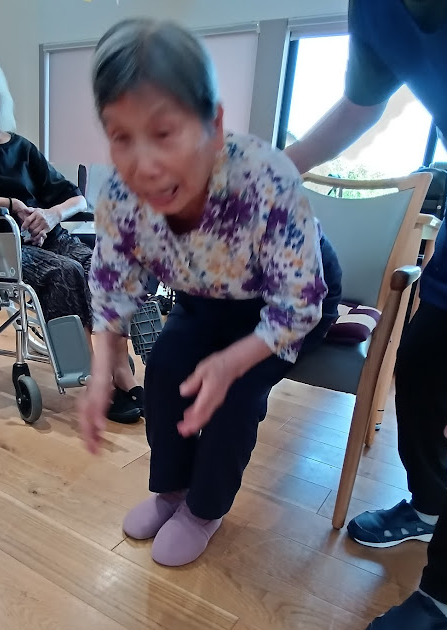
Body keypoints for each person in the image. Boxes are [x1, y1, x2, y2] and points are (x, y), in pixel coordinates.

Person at [78, 18, 341, 567]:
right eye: (121, 137)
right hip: (204, 297)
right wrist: (103, 367)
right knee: (165, 368)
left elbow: (299, 302)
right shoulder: (121, 195)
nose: (144, 164)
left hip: (286, 300)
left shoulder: (266, 178)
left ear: (213, 126)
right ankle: (171, 491)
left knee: (235, 394)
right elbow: (111, 281)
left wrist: (232, 362)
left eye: (164, 133)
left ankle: (203, 509)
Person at [286, 0, 447, 630]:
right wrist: (272, 166)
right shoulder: (375, 11)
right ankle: (429, 501)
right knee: (421, 369)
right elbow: (359, 106)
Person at [0, 41, 142, 423]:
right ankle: (93, 380)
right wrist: (9, 203)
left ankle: (120, 369)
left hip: (43, 236)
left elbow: (77, 198)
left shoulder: (22, 149)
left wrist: (51, 215)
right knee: (64, 273)